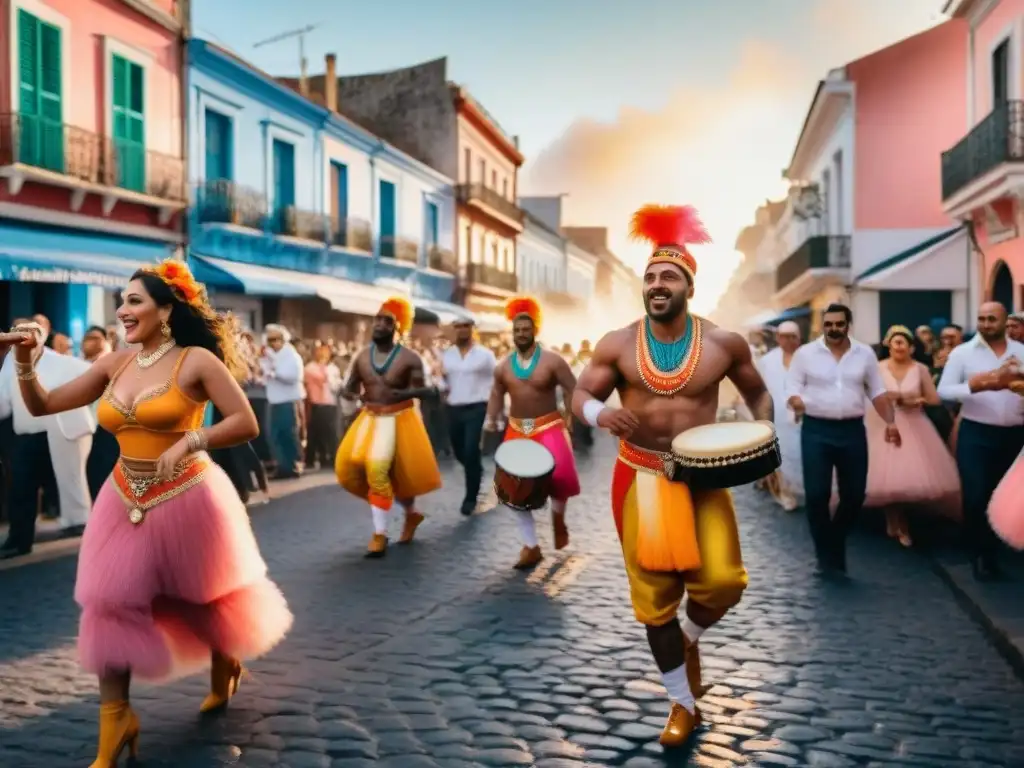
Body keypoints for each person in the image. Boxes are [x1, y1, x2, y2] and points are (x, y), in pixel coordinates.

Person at [4, 260, 292, 767]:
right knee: (110, 602)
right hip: (123, 496)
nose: (123, 309)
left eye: (136, 300)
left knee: (203, 594)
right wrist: (27, 362)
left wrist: (191, 441)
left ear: (166, 309)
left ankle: (225, 660)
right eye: (123, 300)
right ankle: (116, 721)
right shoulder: (114, 364)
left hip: (189, 493)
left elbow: (244, 422)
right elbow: (44, 404)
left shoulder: (196, 360)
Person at [571, 204, 772, 747]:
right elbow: (580, 394)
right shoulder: (616, 342)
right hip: (639, 477)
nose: (657, 284)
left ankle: (688, 638)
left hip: (700, 477)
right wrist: (600, 414)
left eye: (669, 277)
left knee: (724, 582)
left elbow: (757, 393)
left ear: (688, 286)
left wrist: (764, 442)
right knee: (654, 598)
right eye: (651, 276)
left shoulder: (724, 343)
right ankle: (681, 705)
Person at [786, 303, 900, 578]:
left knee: (854, 495)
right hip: (816, 430)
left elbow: (878, 391)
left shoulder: (865, 354)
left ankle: (833, 541)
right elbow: (791, 388)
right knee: (817, 496)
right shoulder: (805, 354)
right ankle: (826, 557)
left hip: (851, 431)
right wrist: (796, 401)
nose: (833, 329)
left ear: (848, 324)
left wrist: (891, 422)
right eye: (828, 324)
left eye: (839, 324)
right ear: (822, 326)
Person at [335, 297, 442, 557]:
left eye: (388, 321)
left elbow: (428, 391)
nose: (381, 324)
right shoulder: (361, 357)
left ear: (398, 328)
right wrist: (350, 395)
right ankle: (411, 514)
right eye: (378, 319)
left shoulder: (410, 358)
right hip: (369, 419)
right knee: (352, 466)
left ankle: (379, 534)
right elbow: (349, 388)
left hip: (399, 418)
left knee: (378, 469)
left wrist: (404, 393)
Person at [486, 296, 580, 569]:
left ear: (535, 330)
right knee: (515, 489)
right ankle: (530, 546)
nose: (521, 334)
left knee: (560, 477)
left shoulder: (553, 361)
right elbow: (496, 394)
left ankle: (558, 519)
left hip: (549, 426)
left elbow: (572, 388)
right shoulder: (503, 366)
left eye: (526, 330)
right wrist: (491, 419)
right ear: (511, 333)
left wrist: (571, 415)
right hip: (517, 430)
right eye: (517, 330)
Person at [937, 301, 1024, 581]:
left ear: (1004, 321)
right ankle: (980, 554)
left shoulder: (1022, 352)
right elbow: (944, 391)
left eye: (992, 319)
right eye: (982, 319)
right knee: (976, 496)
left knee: (1006, 500)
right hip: (976, 433)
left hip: (1015, 434)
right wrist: (979, 384)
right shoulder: (963, 354)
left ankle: (999, 550)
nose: (986, 324)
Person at [0, 320, 95, 554]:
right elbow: (2, 405)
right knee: (21, 487)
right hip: (27, 437)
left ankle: (78, 523)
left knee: (70, 479)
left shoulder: (64, 362)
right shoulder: (9, 365)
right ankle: (19, 539)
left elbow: (94, 383)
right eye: (17, 332)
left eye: (29, 331)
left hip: (63, 433)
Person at [863, 326, 960, 547]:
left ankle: (901, 518)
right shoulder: (877, 369)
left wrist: (916, 400)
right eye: (894, 342)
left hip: (914, 424)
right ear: (888, 345)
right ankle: (895, 519)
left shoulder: (920, 369)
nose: (898, 346)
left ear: (911, 347)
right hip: (883, 424)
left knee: (907, 475)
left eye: (903, 342)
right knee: (885, 475)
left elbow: (934, 399)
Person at [440, 317, 497, 515]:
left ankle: (470, 497)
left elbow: (497, 382)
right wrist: (441, 388)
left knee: (472, 449)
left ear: (473, 329)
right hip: (454, 407)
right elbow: (443, 378)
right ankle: (476, 471)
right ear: (453, 330)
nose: (462, 330)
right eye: (458, 327)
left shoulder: (486, 355)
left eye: (466, 326)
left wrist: (496, 412)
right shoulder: (447, 355)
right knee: (459, 452)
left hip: (477, 407)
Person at [755, 321, 803, 511]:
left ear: (799, 338)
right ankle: (784, 493)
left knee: (799, 454)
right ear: (777, 338)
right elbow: (759, 389)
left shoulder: (807, 357)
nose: (788, 341)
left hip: (803, 415)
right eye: (784, 336)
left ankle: (803, 490)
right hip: (776, 416)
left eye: (793, 336)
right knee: (778, 455)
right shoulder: (767, 361)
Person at [260, 324, 304, 479]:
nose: (272, 343)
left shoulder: (291, 355)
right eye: (269, 339)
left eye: (275, 339)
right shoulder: (271, 355)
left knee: (287, 435)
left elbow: (293, 376)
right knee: (274, 435)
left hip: (287, 401)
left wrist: (273, 373)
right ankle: (282, 465)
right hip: (274, 400)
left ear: (283, 339)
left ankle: (291, 466)